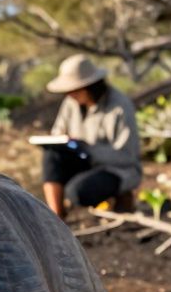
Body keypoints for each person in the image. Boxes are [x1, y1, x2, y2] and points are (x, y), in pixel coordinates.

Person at [41, 54, 142, 218]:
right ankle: (56, 218)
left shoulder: (120, 106)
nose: (70, 95)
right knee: (50, 156)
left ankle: (122, 196)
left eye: (74, 90)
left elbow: (127, 156)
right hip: (80, 161)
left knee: (77, 192)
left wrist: (87, 148)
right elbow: (58, 133)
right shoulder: (70, 103)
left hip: (115, 169)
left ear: (90, 85)